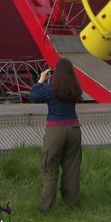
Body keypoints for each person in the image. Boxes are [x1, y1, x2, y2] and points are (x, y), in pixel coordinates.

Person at [28, 58, 83, 213]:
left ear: (55, 73)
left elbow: (33, 96)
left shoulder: (50, 89)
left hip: (55, 129)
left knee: (50, 168)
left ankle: (46, 208)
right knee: (72, 169)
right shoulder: (75, 88)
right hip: (74, 128)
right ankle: (71, 205)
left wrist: (41, 80)